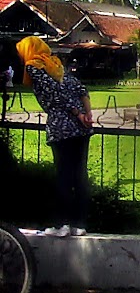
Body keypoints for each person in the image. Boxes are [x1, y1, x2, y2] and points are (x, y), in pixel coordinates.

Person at [15, 36, 94, 237]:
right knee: (78, 174)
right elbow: (81, 89)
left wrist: (77, 113)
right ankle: (80, 224)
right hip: (81, 128)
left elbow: (55, 94)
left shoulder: (34, 66)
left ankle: (62, 224)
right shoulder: (56, 65)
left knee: (64, 174)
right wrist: (87, 114)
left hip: (62, 126)